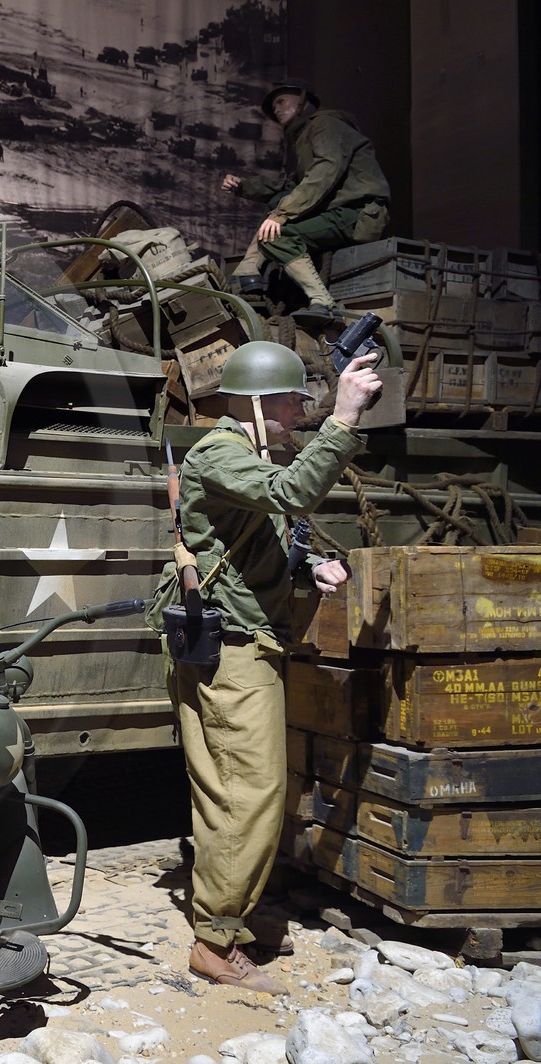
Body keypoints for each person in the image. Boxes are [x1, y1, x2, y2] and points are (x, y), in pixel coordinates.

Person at [163, 340, 380, 995]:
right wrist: (344, 416)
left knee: (243, 791)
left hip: (238, 642)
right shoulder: (222, 452)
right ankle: (214, 942)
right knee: (245, 796)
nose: (301, 410)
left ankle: (228, 917)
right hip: (230, 651)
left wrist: (305, 566)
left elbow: (252, 538)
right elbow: (292, 492)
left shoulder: (242, 454)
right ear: (258, 402)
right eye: (292, 400)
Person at [221, 79, 391, 322]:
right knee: (279, 203)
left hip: (360, 212)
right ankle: (248, 270)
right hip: (340, 211)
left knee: (277, 234)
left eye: (281, 101)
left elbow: (323, 174)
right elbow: (291, 186)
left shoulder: (326, 125)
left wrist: (282, 215)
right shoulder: (306, 136)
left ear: (303, 100)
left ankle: (323, 302)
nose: (277, 110)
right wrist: (243, 186)